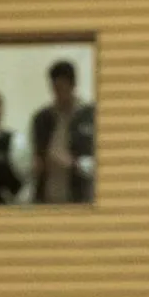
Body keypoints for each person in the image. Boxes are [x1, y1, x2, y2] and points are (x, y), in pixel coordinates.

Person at [31, 60, 96, 204]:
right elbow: (36, 155)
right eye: (54, 88)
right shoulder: (41, 118)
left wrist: (74, 164)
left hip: (80, 199)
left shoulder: (91, 116)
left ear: (73, 85)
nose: (58, 94)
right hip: (46, 199)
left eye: (62, 88)